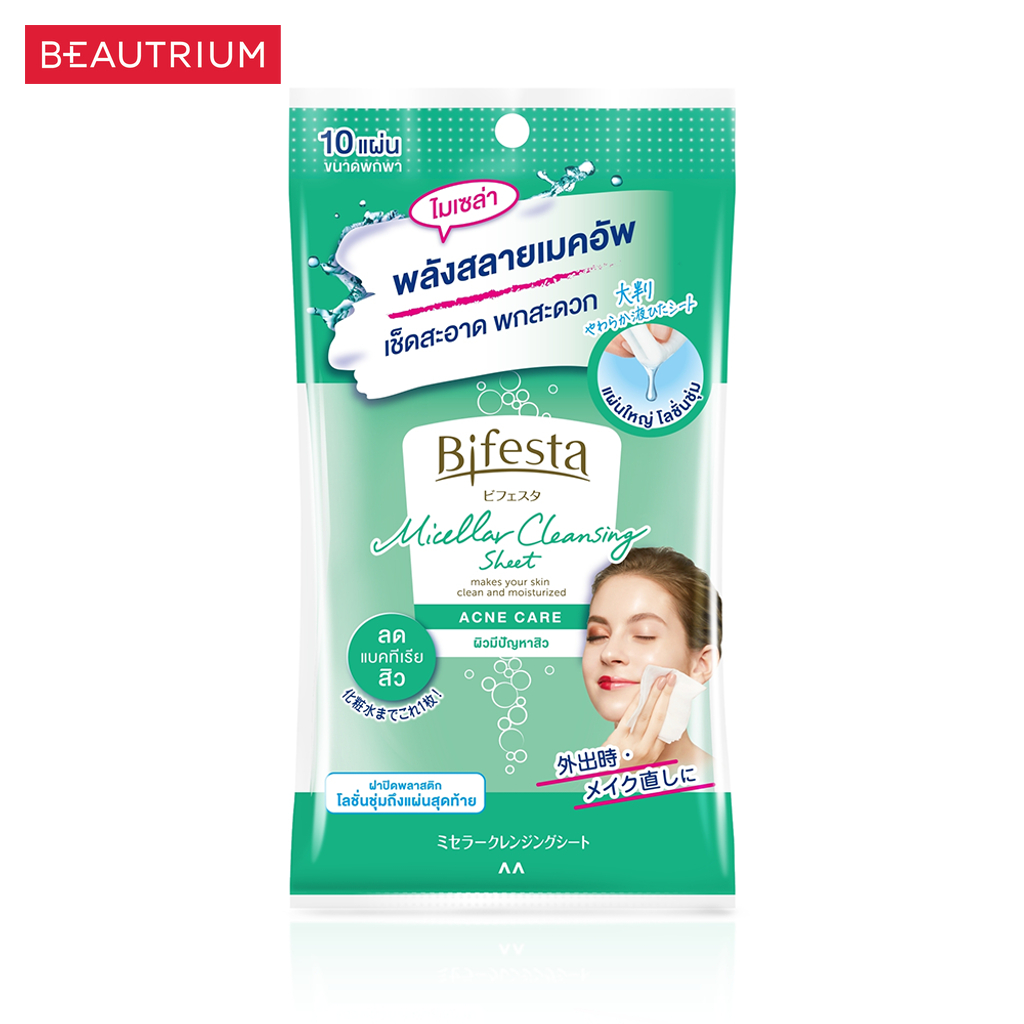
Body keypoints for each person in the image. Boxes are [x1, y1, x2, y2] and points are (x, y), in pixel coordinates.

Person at [583, 547, 721, 782]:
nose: (609, 653)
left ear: (701, 663)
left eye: (643, 634)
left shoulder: (724, 788)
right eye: (597, 635)